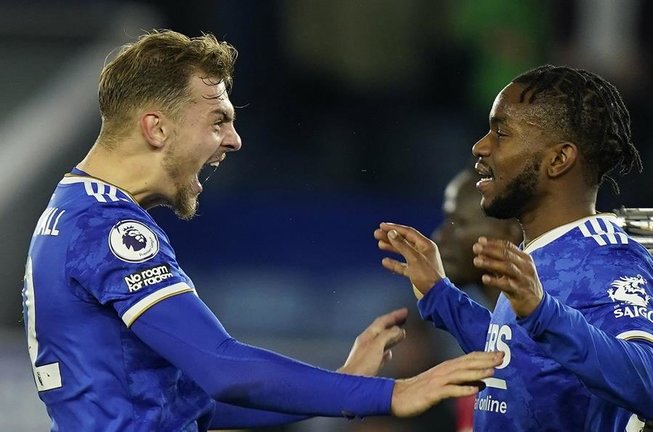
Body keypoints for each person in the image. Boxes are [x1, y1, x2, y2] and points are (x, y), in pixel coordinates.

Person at [21, 30, 502, 432]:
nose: (233, 139)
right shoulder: (108, 229)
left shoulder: (72, 212)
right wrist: (395, 391)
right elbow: (223, 370)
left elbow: (190, 402)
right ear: (156, 128)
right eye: (217, 120)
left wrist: (341, 386)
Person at [375, 64, 653, 430]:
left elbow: (647, 382)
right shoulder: (540, 254)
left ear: (558, 159)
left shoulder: (608, 258)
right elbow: (522, 361)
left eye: (501, 133)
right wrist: (440, 295)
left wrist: (543, 314)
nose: (481, 146)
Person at [430, 166, 522, 432]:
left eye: (459, 222)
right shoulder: (483, 342)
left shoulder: (542, 343)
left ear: (510, 232)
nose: (439, 237)